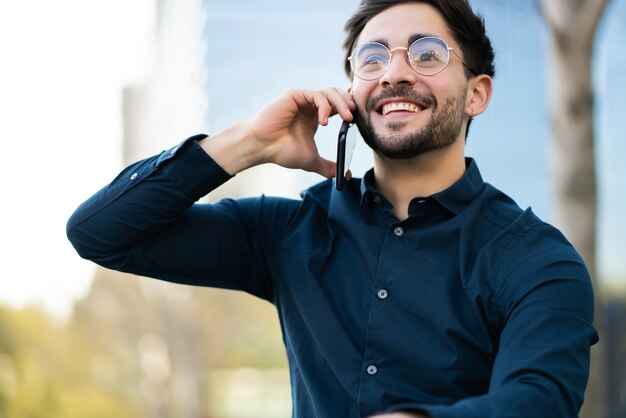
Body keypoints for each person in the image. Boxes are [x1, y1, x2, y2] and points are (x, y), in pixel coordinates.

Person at [67, 1, 598, 417]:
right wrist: (246, 144)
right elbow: (101, 233)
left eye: (427, 53)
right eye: (373, 59)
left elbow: (540, 400)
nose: (393, 73)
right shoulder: (289, 231)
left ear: (477, 94)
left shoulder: (537, 261)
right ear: (351, 93)